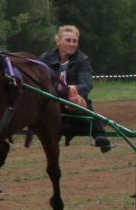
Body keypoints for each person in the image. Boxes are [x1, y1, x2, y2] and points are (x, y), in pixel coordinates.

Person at [41, 24, 111, 152]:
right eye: (68, 40)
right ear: (58, 41)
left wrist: (69, 90)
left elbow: (87, 85)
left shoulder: (82, 60)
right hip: (51, 99)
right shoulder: (46, 57)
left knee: (77, 99)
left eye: (75, 41)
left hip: (73, 101)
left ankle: (100, 134)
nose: (72, 44)